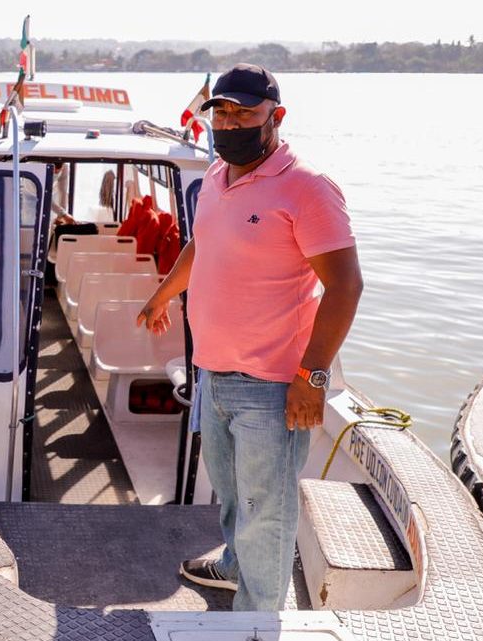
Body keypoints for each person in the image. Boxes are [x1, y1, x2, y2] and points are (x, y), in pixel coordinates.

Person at [137, 64, 363, 611]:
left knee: (267, 514)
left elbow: (346, 286)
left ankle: (256, 619)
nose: (231, 121)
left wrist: (311, 377)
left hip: (271, 388)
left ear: (275, 117)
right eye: (222, 111)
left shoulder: (307, 187)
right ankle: (233, 567)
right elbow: (202, 243)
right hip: (213, 375)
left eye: (245, 112)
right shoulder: (217, 176)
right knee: (234, 497)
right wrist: (163, 295)